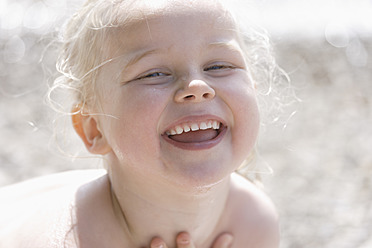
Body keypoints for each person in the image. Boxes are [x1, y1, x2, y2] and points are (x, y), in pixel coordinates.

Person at [0, 0, 281, 247]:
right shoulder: (64, 240)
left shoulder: (252, 222)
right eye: (155, 73)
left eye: (218, 66)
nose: (197, 86)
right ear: (94, 128)